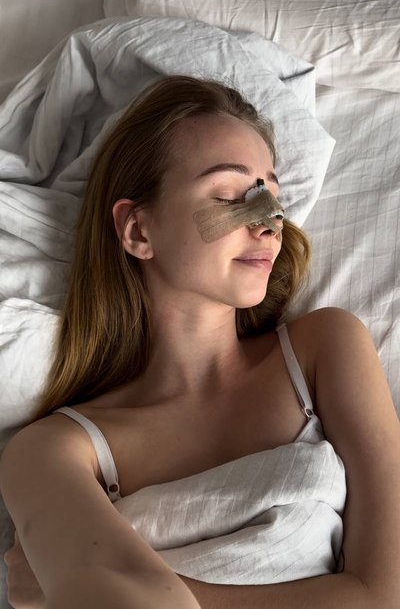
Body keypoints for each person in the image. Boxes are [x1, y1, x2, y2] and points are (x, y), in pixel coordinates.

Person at [1, 75, 399, 609]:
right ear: (139, 231)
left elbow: (386, 594)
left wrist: (110, 584)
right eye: (231, 196)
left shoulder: (325, 348)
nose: (269, 224)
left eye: (272, 197)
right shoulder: (52, 448)